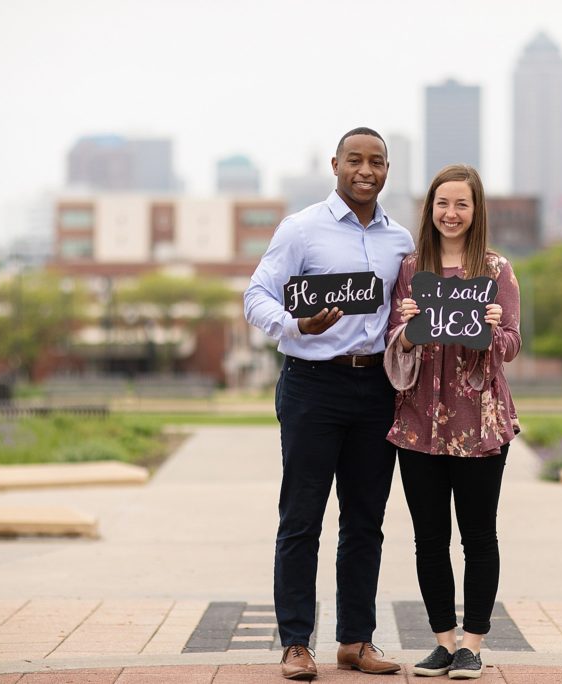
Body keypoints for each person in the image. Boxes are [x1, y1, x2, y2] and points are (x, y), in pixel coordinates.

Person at [244, 127, 414, 681]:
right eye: (355, 161)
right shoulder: (301, 229)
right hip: (313, 385)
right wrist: (295, 323)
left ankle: (355, 642)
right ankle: (296, 643)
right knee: (301, 518)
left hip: (377, 390)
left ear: (387, 169)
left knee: (365, 521)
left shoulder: (400, 241)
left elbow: (407, 311)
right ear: (335, 164)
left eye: (378, 162)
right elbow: (256, 295)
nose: (366, 171)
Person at [383, 164, 521, 680]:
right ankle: (443, 640)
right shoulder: (411, 268)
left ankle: (474, 643)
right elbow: (395, 341)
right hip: (419, 421)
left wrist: (490, 330)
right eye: (443, 203)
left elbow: (511, 344)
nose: (451, 213)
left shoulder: (496, 270)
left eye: (462, 204)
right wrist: (409, 331)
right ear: (430, 208)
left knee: (479, 535)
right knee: (429, 537)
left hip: (479, 421)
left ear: (476, 209)